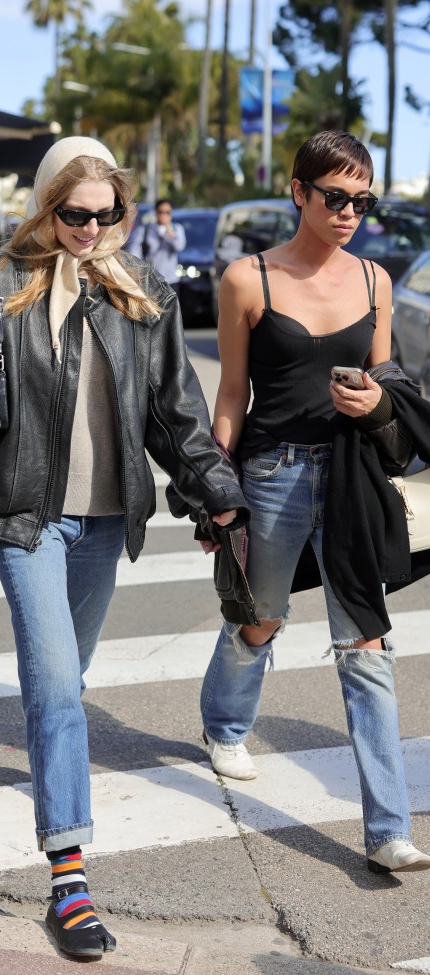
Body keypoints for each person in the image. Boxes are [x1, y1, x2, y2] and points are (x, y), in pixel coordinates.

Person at [0, 136, 248, 958]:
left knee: (66, 675)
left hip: (106, 523)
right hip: (28, 519)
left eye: (108, 215)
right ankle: (69, 880)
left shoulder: (144, 292)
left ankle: (45, 748)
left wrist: (223, 496)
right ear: (45, 207)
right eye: (75, 214)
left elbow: (176, 416)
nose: (92, 230)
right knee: (62, 690)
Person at [197, 130, 430, 875]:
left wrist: (374, 403)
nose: (351, 212)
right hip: (272, 474)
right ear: (299, 192)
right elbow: (232, 393)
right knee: (261, 616)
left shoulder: (375, 281)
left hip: (354, 477)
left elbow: (390, 380)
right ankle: (223, 722)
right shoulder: (248, 279)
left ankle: (388, 829)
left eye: (363, 200)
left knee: (366, 647)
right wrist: (216, 490)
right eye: (336, 197)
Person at [128, 197, 186, 285]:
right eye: (161, 212)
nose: (164, 215)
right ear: (156, 212)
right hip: (150, 279)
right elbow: (134, 251)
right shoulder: (145, 229)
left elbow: (179, 246)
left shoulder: (177, 229)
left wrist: (169, 230)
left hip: (170, 280)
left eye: (167, 212)